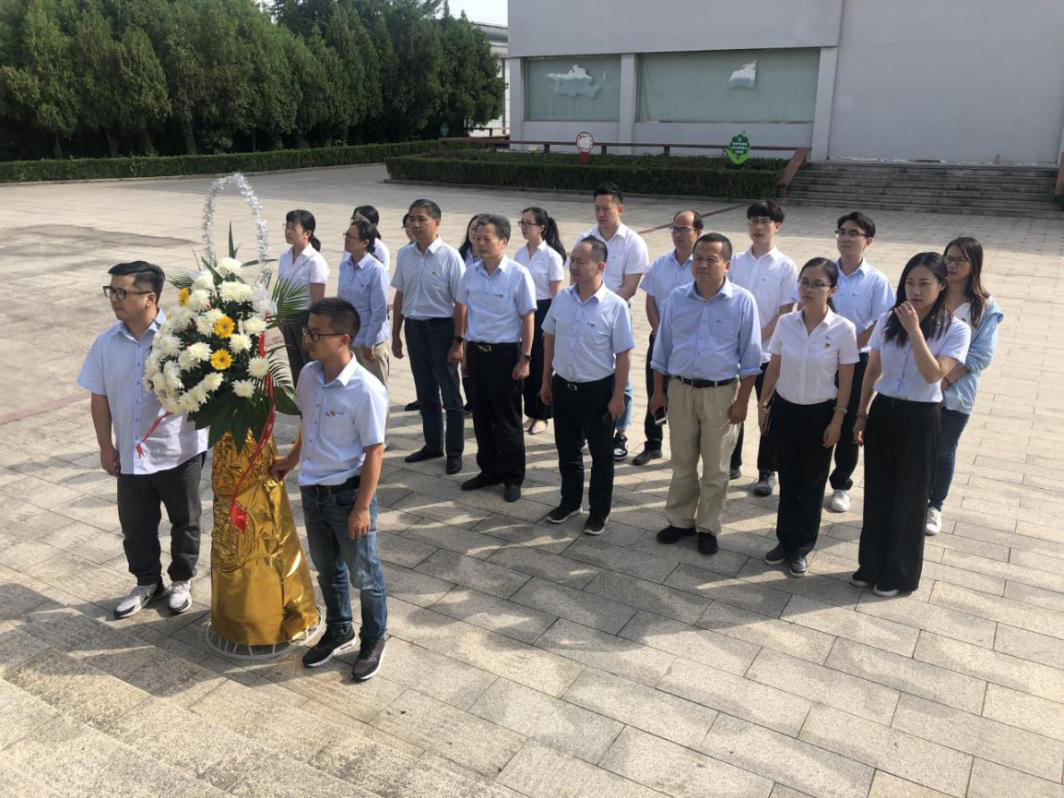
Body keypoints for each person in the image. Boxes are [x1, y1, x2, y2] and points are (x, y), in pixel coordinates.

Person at [77, 261, 208, 618]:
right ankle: (147, 582)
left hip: (178, 450)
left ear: (150, 298)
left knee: (185, 520)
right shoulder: (106, 343)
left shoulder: (182, 340)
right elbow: (99, 397)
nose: (114, 299)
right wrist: (106, 446)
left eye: (122, 292)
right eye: (111, 291)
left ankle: (181, 580)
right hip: (131, 453)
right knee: (136, 527)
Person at [271, 298, 389, 680]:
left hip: (347, 496)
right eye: (308, 330)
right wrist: (291, 460)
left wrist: (362, 507)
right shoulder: (308, 375)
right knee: (327, 570)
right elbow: (309, 425)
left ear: (343, 339)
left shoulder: (366, 390)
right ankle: (340, 629)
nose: (307, 339)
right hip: (313, 491)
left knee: (364, 574)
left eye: (316, 333)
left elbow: (374, 450)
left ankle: (374, 638)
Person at [852, 253, 970, 596]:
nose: (915, 291)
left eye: (924, 284)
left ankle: (900, 573)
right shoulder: (889, 320)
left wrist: (915, 331)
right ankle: (871, 564)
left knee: (910, 496)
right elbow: (873, 370)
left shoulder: (956, 329)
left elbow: (934, 374)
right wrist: (861, 412)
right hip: (885, 411)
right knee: (878, 491)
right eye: (909, 283)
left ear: (942, 286)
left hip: (921, 416)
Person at [650, 233, 762, 556]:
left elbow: (752, 358)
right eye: (698, 258)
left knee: (716, 466)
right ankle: (680, 520)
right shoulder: (677, 298)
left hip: (721, 394)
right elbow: (662, 349)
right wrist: (657, 392)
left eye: (711, 259)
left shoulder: (743, 301)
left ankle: (708, 526)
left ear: (727, 264)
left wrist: (742, 402)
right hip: (680, 389)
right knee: (682, 461)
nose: (702, 264)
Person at [757, 258, 858, 576]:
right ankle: (784, 540)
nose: (809, 289)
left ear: (832, 290)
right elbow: (774, 366)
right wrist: (763, 405)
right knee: (788, 479)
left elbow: (847, 380)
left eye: (817, 284)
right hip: (786, 410)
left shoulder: (843, 329)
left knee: (812, 483)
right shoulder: (786, 323)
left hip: (820, 413)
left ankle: (801, 547)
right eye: (804, 282)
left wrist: (838, 419)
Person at [540, 237, 634, 535]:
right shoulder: (562, 299)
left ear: (600, 266)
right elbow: (549, 339)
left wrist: (618, 397)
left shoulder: (615, 306)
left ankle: (599, 511)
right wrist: (545, 381)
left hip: (598, 391)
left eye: (581, 261)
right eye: (572, 260)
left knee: (602, 455)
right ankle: (569, 502)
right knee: (567, 450)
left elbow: (623, 355)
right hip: (563, 387)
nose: (574, 267)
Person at [449, 214, 536, 502]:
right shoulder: (470, 273)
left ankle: (512, 477)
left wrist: (525, 358)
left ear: (504, 241)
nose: (481, 243)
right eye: (478, 238)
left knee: (507, 419)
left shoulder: (518, 274)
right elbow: (463, 310)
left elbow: (528, 318)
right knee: (482, 416)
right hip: (477, 353)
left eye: (487, 238)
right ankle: (488, 471)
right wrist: (462, 347)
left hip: (506, 354)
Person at [925, 237, 1003, 535]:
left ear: (974, 265)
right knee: (918, 447)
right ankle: (913, 499)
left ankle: (935, 506)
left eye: (960, 260)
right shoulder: (932, 292)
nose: (952, 264)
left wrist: (945, 380)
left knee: (944, 448)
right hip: (922, 384)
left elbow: (981, 355)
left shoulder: (985, 306)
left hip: (957, 392)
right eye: (949, 257)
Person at [573, 183, 649, 461]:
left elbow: (630, 286)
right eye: (597, 208)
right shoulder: (585, 238)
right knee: (588, 370)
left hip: (617, 314)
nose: (601, 214)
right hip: (585, 314)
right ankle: (586, 427)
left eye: (606, 208)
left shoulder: (633, 242)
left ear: (620, 208)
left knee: (620, 375)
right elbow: (575, 276)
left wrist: (603, 306)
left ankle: (621, 432)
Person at [824, 211, 895, 513]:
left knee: (850, 420)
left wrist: (850, 346)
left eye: (853, 233)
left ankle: (841, 484)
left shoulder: (877, 280)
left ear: (868, 241)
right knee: (819, 416)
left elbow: (882, 321)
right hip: (822, 358)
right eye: (842, 231)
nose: (846, 238)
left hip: (858, 361)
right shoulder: (825, 272)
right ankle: (813, 476)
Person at [728, 200, 797, 496]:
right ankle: (731, 462)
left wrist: (755, 339)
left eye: (764, 222)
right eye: (753, 221)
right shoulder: (735, 262)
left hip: (769, 353)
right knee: (733, 406)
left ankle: (767, 470)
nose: (758, 227)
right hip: (734, 350)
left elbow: (785, 312)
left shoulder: (786, 266)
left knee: (767, 409)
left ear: (776, 227)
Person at [391, 199, 466, 475]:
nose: (415, 224)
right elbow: (400, 294)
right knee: (425, 392)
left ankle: (454, 452)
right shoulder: (405, 254)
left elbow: (461, 303)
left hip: (442, 330)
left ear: (437, 222)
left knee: (450, 394)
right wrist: (396, 333)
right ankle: (433, 445)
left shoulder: (450, 257)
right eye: (411, 219)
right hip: (414, 329)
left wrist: (458, 341)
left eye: (421, 219)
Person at [632, 209, 701, 466]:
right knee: (656, 391)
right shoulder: (660, 264)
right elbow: (650, 300)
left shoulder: (702, 266)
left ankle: (685, 450)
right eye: (675, 229)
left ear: (698, 233)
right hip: (660, 339)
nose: (678, 234)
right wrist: (660, 331)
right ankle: (653, 443)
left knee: (686, 398)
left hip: (690, 345)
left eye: (684, 229)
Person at [515, 206, 565, 435]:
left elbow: (557, 295)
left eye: (528, 223)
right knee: (526, 361)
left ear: (541, 227)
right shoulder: (519, 254)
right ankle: (530, 412)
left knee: (542, 365)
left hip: (545, 311)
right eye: (522, 223)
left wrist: (551, 325)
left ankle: (543, 415)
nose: (524, 227)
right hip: (523, 311)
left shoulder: (552, 256)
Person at [338, 219, 390, 390]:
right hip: (350, 340)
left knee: (376, 391)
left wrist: (369, 343)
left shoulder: (376, 270)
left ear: (365, 243)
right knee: (355, 390)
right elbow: (341, 304)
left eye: (350, 237)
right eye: (346, 235)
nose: (346, 239)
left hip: (370, 343)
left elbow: (379, 311)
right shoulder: (345, 266)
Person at [278, 209, 329, 383]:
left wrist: (311, 331)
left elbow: (318, 302)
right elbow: (282, 289)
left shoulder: (315, 261)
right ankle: (300, 399)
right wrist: (280, 318)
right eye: (287, 226)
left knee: (310, 368)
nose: (288, 231)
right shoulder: (285, 257)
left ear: (307, 233)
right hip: (288, 319)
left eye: (293, 228)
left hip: (305, 319)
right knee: (296, 367)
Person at [399, 212, 420, 412]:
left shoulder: (445, 255)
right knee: (417, 364)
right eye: (407, 225)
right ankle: (422, 396)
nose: (411, 228)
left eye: (416, 222)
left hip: (438, 323)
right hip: (412, 319)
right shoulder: (404, 253)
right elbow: (400, 291)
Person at [351, 205, 390, 271]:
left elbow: (383, 273)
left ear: (373, 225)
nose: (356, 223)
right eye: (354, 219)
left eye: (361, 220)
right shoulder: (350, 244)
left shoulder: (381, 249)